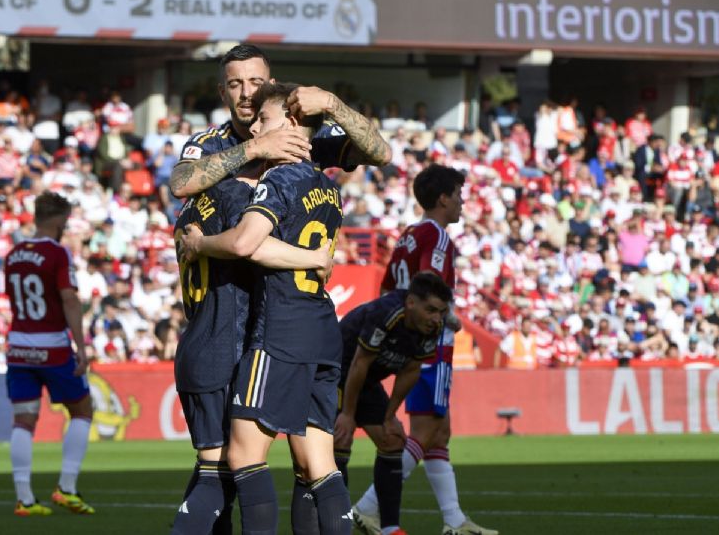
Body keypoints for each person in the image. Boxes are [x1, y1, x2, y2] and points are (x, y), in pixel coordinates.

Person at [182, 81, 348, 534]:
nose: (256, 127)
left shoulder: (279, 177)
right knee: (319, 462)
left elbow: (245, 243)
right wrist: (315, 258)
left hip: (280, 329)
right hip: (322, 327)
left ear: (293, 125)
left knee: (239, 457)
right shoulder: (328, 188)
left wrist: (201, 243)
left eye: (265, 120)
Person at [353, 165, 498, 535]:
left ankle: (454, 520)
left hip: (407, 333)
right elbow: (426, 283)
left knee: (440, 432)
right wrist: (446, 318)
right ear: (444, 198)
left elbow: (390, 287)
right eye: (459, 195)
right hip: (429, 342)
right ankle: (368, 506)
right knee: (424, 429)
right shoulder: (437, 237)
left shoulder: (408, 235)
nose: (463, 202)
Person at [168, 43, 391, 199]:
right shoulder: (210, 142)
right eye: (235, 84)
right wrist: (256, 148)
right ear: (222, 93)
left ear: (270, 85)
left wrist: (333, 104)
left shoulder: (305, 133)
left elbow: (382, 155)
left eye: (256, 81)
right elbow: (179, 185)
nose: (246, 93)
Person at [335, 273, 454, 535]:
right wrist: (347, 414)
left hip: (366, 379)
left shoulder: (431, 328)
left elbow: (411, 370)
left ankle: (389, 527)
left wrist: (389, 415)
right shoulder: (386, 313)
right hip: (335, 370)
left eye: (442, 312)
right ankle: (337, 525)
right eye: (431, 310)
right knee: (341, 440)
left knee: (393, 441)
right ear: (411, 303)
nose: (437, 318)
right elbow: (359, 362)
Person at [3, 191, 95, 516]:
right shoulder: (58, 254)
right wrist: (81, 348)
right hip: (52, 346)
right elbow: (68, 299)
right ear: (59, 221)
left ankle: (25, 499)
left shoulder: (13, 254)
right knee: (82, 410)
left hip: (18, 347)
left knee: (23, 421)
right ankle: (66, 489)